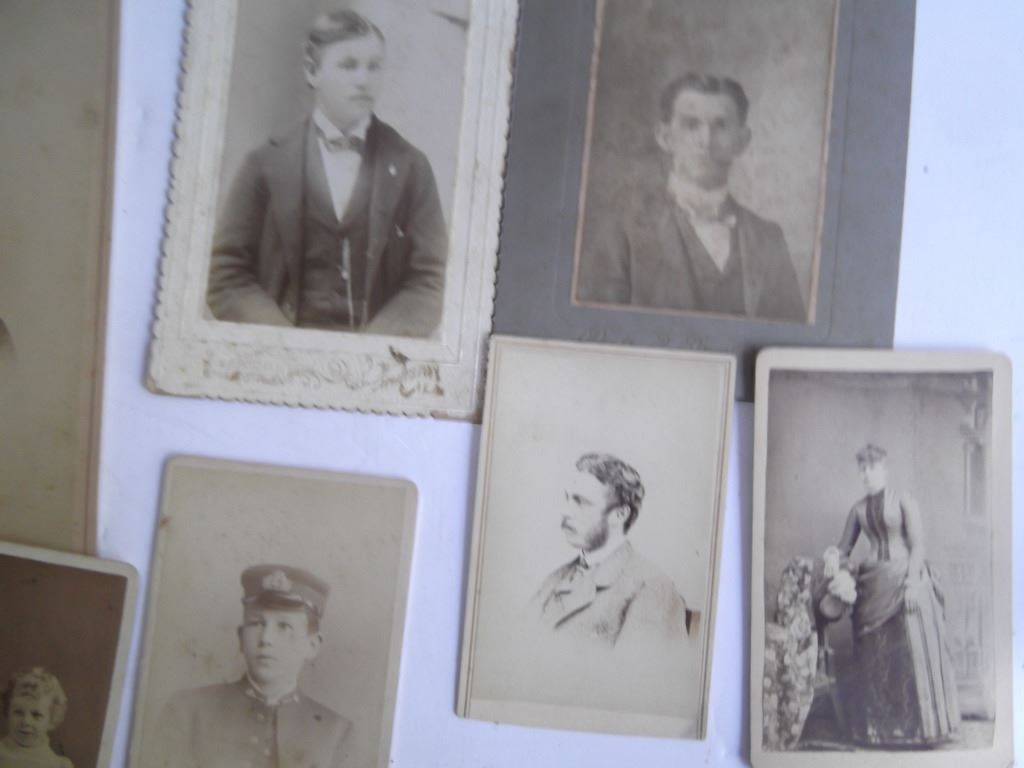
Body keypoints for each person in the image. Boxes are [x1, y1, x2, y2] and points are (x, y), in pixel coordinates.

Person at [207, 9, 447, 338]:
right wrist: (283, 342)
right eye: (348, 65)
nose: (363, 79)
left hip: (372, 355)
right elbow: (225, 275)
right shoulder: (264, 163)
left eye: (374, 66)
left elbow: (430, 280)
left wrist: (372, 348)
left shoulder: (411, 167)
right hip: (282, 349)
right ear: (312, 71)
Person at [575, 73, 807, 322]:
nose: (705, 141)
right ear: (665, 137)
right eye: (691, 125)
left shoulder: (769, 238)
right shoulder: (622, 227)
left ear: (742, 140)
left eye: (721, 126)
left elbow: (790, 333)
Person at [148, 565, 350, 768]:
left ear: (312, 645)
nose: (266, 638)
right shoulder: (188, 713)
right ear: (241, 638)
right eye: (256, 624)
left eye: (283, 626)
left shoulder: (335, 733)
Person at [827, 443, 960, 746]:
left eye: (871, 467)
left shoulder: (903, 500)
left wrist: (912, 583)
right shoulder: (858, 509)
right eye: (862, 468)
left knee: (906, 655)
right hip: (872, 587)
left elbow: (918, 545)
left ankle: (916, 731)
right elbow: (844, 548)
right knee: (875, 658)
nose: (865, 474)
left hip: (904, 582)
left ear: (885, 469)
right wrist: (835, 557)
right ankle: (879, 731)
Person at [534, 453, 697, 648]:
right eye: (567, 498)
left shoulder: (653, 589)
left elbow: (641, 667)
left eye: (581, 502)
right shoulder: (555, 578)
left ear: (619, 515)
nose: (565, 511)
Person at [0, 667, 73, 768]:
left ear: (51, 720)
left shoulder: (59, 765)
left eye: (36, 715)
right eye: (18, 712)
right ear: (7, 712)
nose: (25, 721)